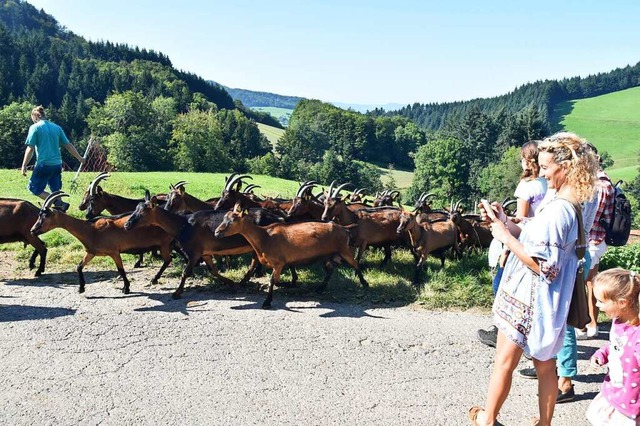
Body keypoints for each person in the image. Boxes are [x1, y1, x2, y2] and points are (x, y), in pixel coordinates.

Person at [468, 132, 598, 426]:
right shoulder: (568, 204)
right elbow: (535, 239)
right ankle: (544, 422)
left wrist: (502, 235)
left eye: (546, 167)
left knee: (504, 362)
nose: (541, 173)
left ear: (566, 167)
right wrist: (505, 221)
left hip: (527, 300)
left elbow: (544, 266)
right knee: (545, 365)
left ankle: (488, 420)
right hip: (548, 303)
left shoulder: (557, 211)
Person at [478, 140, 547, 347]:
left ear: (528, 161)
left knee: (501, 285)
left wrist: (506, 249)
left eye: (522, 159)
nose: (521, 163)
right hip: (542, 245)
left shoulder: (526, 187)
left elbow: (521, 221)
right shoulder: (549, 185)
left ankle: (502, 331)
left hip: (524, 245)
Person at [586, 268, 640, 425]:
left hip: (631, 402)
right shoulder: (619, 320)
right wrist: (602, 353)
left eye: (601, 301)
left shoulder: (637, 335)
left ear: (622, 303)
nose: (596, 305)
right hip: (614, 392)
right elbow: (616, 344)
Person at [576, 146, 615, 340]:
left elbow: (590, 216)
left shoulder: (597, 185)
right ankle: (591, 324)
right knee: (591, 283)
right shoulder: (606, 182)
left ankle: (585, 326)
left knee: (583, 283)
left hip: (592, 239)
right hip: (599, 239)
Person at [20, 105, 85, 212]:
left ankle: (57, 203)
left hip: (44, 164)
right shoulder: (57, 127)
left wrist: (24, 165)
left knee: (34, 188)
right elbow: (68, 145)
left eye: (33, 119)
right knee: (55, 189)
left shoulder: (35, 128)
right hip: (57, 164)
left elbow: (30, 148)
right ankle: (61, 211)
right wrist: (80, 158)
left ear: (36, 116)